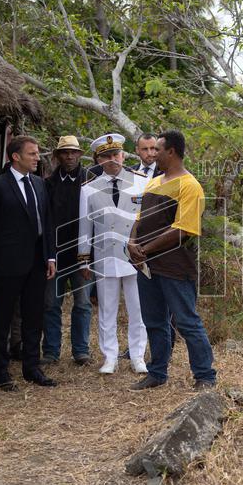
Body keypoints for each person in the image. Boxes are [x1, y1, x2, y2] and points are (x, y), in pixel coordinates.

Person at [128, 129, 217, 391]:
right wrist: (132, 243)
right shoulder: (155, 182)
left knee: (187, 322)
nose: (152, 153)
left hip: (176, 267)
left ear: (172, 152)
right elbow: (139, 219)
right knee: (154, 321)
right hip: (148, 266)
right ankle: (157, 373)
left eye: (157, 149)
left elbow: (183, 230)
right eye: (150, 149)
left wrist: (144, 249)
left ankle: (205, 376)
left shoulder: (190, 186)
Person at [0, 136, 58, 390]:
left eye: (37, 153)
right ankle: (1, 373)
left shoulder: (39, 184)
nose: (38, 158)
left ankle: (32, 367)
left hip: (37, 263)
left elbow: (46, 222)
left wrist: (50, 256)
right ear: (15, 156)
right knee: (2, 319)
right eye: (32, 154)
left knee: (34, 317)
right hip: (7, 265)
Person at [78, 134, 150, 374]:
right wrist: (83, 259)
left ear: (123, 155)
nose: (112, 160)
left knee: (138, 309)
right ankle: (110, 357)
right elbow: (84, 226)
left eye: (116, 154)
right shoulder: (88, 189)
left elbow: (149, 221)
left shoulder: (141, 182)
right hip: (105, 256)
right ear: (98, 160)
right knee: (107, 309)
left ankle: (137, 356)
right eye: (106, 156)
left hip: (136, 257)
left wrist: (149, 251)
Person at [43, 135, 93, 366]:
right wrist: (49, 255)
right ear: (57, 155)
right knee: (52, 304)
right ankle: (51, 351)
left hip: (82, 255)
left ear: (80, 154)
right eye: (65, 152)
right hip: (56, 255)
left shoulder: (90, 181)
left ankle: (81, 351)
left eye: (74, 152)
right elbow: (46, 221)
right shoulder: (48, 183)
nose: (70, 156)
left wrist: (89, 257)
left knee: (82, 303)